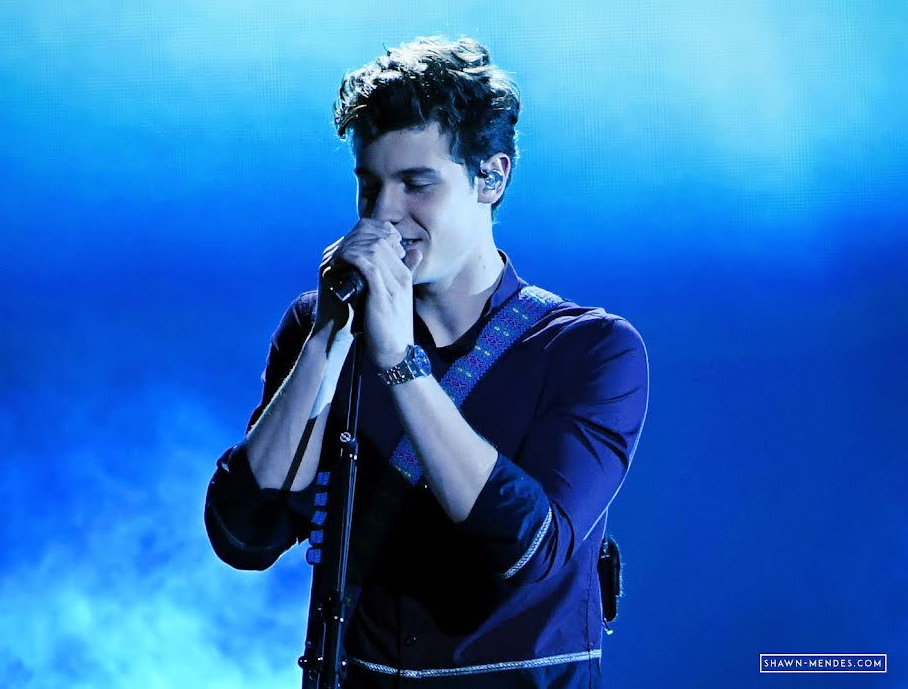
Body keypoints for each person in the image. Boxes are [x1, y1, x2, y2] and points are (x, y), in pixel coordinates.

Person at [204, 35, 649, 688]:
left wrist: (399, 362)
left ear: (491, 177)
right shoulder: (323, 327)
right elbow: (245, 535)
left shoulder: (591, 350)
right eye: (370, 186)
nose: (385, 214)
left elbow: (529, 551)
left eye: (416, 184)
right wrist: (328, 337)